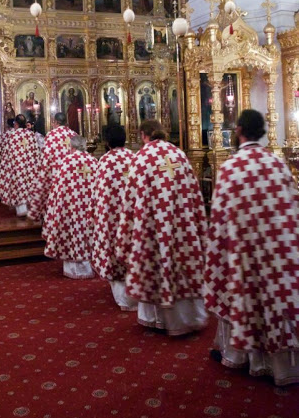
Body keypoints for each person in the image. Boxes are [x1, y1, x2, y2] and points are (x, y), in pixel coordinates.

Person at [205, 109, 299, 386]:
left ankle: (241, 356)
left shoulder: (232, 168)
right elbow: (292, 208)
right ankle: (282, 366)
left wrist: (218, 253)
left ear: (239, 131)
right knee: (276, 299)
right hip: (277, 252)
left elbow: (219, 220)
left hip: (244, 253)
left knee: (245, 297)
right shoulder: (277, 163)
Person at [115, 119, 208, 335]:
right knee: (181, 263)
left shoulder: (141, 158)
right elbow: (195, 194)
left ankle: (155, 319)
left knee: (154, 265)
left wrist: (126, 233)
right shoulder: (179, 154)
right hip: (182, 225)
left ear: (144, 135)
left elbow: (130, 200)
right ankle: (189, 317)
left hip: (151, 226)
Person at [90, 125, 137, 309]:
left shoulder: (105, 161)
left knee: (114, 253)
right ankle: (135, 296)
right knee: (131, 251)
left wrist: (95, 215)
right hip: (132, 217)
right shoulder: (134, 158)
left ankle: (124, 299)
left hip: (111, 218)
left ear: (107, 142)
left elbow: (97, 193)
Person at [44, 135, 98, 279]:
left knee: (72, 234)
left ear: (71, 147)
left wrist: (54, 206)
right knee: (86, 234)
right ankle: (87, 266)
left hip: (71, 206)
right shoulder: (93, 161)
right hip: (89, 207)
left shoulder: (67, 161)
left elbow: (58, 187)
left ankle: (73, 269)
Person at [28, 112, 77, 229]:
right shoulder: (74, 135)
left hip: (55, 175)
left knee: (56, 201)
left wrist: (42, 172)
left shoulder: (51, 135)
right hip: (71, 176)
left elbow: (46, 157)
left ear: (55, 122)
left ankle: (55, 224)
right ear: (66, 122)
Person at [0, 114, 40, 215]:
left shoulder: (13, 135)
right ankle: (29, 207)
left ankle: (21, 209)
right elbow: (36, 151)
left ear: (16, 124)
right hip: (29, 166)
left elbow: (7, 153)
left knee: (18, 185)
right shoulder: (31, 134)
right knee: (29, 184)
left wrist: (4, 166)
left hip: (16, 166)